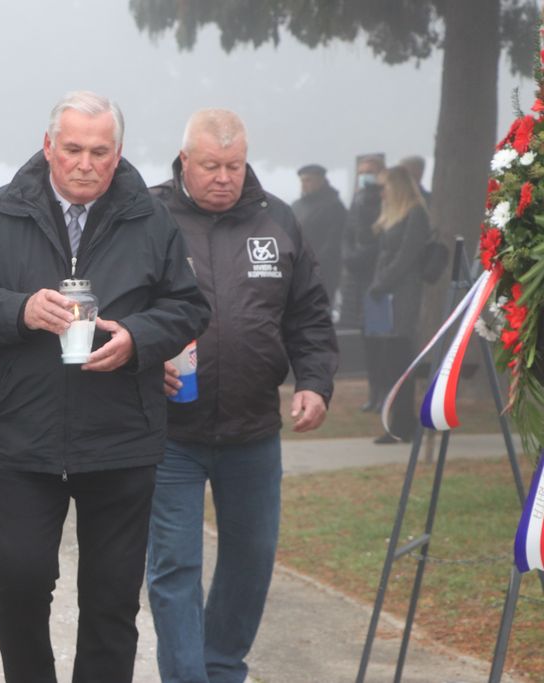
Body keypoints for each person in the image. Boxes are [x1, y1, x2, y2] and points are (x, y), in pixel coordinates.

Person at [0, 91, 208, 683]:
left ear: (119, 153)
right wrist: (20, 310)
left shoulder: (150, 218)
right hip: (25, 435)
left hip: (122, 435)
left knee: (112, 599)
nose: (85, 164)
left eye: (99, 152)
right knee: (20, 581)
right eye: (73, 149)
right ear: (48, 146)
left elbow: (188, 307)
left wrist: (137, 338)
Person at [146, 108, 337, 683]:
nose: (224, 177)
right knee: (175, 565)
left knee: (250, 561)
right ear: (185, 160)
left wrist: (314, 383)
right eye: (211, 166)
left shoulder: (277, 219)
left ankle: (223, 668)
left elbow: (309, 314)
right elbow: (116, 306)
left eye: (234, 165)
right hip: (170, 435)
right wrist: (142, 360)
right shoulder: (148, 216)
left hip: (253, 431)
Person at [367, 165, 431, 444]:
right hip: (385, 294)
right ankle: (398, 420)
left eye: (385, 186)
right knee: (388, 361)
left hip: (401, 295)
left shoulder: (415, 213)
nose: (382, 192)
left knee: (399, 358)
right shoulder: (393, 214)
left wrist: (382, 282)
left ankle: (403, 422)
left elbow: (406, 256)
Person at [341, 154, 386, 412]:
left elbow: (383, 240)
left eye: (369, 171)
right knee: (366, 340)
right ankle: (373, 392)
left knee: (380, 340)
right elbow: (347, 233)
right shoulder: (356, 200)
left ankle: (384, 392)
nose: (364, 176)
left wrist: (361, 256)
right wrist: (348, 255)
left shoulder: (385, 199)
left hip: (376, 279)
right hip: (357, 279)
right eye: (361, 172)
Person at [291, 163, 347, 302]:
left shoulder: (334, 206)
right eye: (302, 181)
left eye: (308, 180)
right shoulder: (297, 206)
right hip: (297, 268)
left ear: (321, 180)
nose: (304, 185)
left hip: (324, 270)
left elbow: (334, 241)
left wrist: (315, 265)